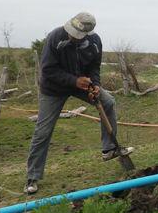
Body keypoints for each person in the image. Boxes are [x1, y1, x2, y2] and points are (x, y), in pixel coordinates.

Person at [25, 12, 132, 194]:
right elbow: (48, 70)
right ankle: (32, 176)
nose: (72, 36)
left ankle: (109, 149)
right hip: (53, 88)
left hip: (81, 84)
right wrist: (74, 81)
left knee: (107, 102)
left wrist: (96, 85)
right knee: (43, 130)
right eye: (71, 31)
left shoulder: (95, 42)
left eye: (77, 34)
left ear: (88, 33)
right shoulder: (55, 37)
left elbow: (94, 67)